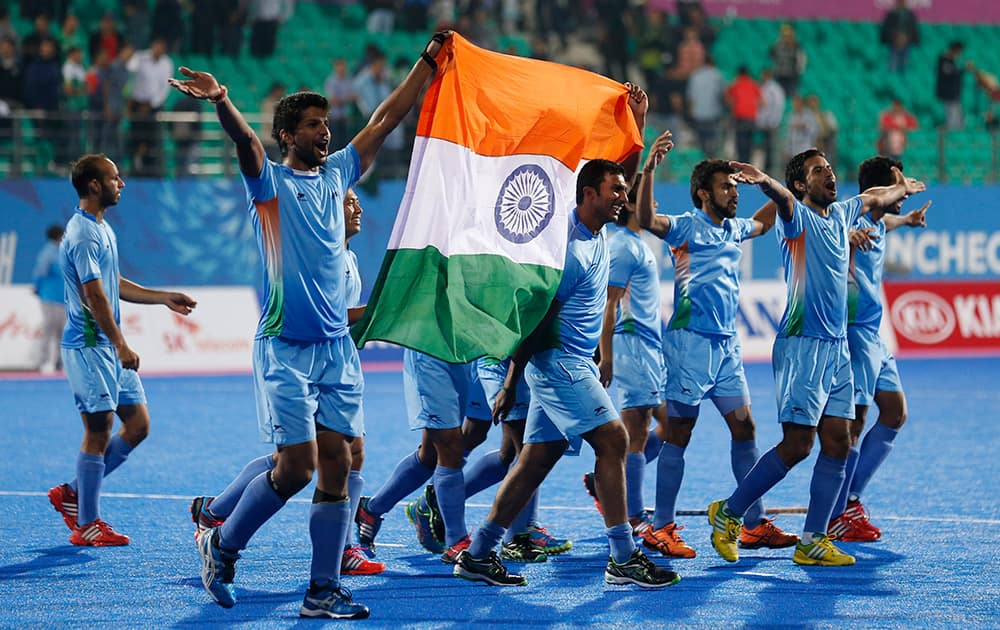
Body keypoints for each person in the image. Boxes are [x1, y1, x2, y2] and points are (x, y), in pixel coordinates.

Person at [168, 30, 451, 618]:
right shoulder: (268, 185)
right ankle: (221, 544)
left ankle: (322, 589)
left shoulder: (339, 174)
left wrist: (427, 63)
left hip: (335, 353)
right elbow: (245, 144)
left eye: (326, 124)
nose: (325, 132)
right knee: (293, 469)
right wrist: (222, 99)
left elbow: (385, 119)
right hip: (284, 347)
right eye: (313, 125)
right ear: (288, 135)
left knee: (342, 461)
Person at [454, 90, 680, 589]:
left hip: (571, 361)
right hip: (558, 363)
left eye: (624, 190)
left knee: (536, 459)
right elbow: (536, 323)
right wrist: (513, 382)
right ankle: (623, 557)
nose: (623, 196)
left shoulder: (599, 226)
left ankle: (479, 551)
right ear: (587, 195)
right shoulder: (567, 249)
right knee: (616, 439)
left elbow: (620, 168)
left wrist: (638, 123)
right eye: (614, 190)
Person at [705, 149, 925, 566]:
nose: (829, 174)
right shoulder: (797, 219)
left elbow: (874, 199)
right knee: (798, 445)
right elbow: (784, 201)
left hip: (838, 347)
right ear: (802, 185)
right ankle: (729, 513)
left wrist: (900, 189)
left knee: (839, 442)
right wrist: (766, 180)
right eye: (817, 171)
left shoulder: (842, 215)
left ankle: (812, 541)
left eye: (829, 168)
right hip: (802, 345)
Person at [189, 187, 386, 577]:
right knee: (296, 461)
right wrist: (384, 309)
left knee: (350, 450)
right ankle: (218, 522)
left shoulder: (348, 256)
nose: (358, 207)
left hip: (327, 358)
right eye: (349, 202)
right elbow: (331, 316)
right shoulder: (319, 255)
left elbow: (343, 319)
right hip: (291, 355)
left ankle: (341, 548)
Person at [635, 133, 797, 559]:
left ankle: (753, 524)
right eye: (727, 186)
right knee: (678, 434)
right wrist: (649, 168)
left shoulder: (735, 228)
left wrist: (777, 186)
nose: (734, 194)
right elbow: (647, 219)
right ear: (704, 193)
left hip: (726, 347)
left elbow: (765, 222)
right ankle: (661, 527)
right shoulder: (686, 227)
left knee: (744, 428)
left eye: (735, 187)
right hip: (689, 345)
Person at [47, 153, 197, 547]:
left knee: (139, 425)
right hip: (91, 346)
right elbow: (95, 296)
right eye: (115, 177)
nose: (122, 183)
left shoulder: (100, 229)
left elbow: (114, 284)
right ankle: (87, 523)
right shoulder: (81, 235)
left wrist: (162, 297)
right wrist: (121, 344)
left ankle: (73, 494)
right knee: (99, 430)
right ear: (95, 185)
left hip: (107, 349)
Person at [827, 156, 929, 543]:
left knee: (895, 413)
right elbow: (832, 238)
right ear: (877, 191)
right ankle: (837, 513)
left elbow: (883, 222)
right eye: (897, 184)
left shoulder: (876, 221)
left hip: (874, 334)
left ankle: (849, 498)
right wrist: (845, 242)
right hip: (853, 333)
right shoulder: (850, 222)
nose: (902, 190)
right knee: (852, 425)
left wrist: (907, 220)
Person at [586, 169, 669, 539]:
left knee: (672, 424)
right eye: (648, 198)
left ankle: (609, 481)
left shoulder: (636, 242)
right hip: (632, 344)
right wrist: (607, 357)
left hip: (649, 346)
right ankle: (633, 513)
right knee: (637, 431)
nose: (655, 204)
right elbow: (609, 305)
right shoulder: (621, 245)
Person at [32, 224, 65, 373]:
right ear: (59, 236)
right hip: (50, 297)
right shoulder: (48, 253)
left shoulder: (62, 252)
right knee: (49, 329)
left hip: (62, 298)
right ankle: (42, 361)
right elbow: (40, 273)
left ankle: (60, 362)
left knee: (62, 332)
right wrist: (38, 288)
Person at [726, 66, 762, 163]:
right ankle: (748, 164)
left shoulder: (736, 83)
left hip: (740, 117)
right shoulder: (753, 84)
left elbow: (728, 99)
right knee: (749, 144)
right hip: (751, 118)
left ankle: (741, 165)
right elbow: (761, 101)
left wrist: (733, 108)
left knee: (740, 144)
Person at [756, 69, 785, 173]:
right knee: (768, 148)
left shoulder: (769, 88)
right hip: (771, 122)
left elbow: (766, 105)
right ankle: (768, 169)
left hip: (769, 123)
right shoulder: (776, 88)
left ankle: (769, 170)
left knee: (770, 148)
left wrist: (769, 121)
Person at [880, 0, 920, 73]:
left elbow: (913, 29)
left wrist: (909, 40)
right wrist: (894, 38)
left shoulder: (910, 15)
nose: (902, 3)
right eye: (900, 2)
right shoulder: (891, 14)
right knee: (892, 65)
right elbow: (886, 29)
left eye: (903, 2)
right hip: (894, 44)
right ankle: (891, 82)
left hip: (907, 44)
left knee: (905, 66)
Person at [936, 41, 967, 130]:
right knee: (952, 117)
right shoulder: (943, 59)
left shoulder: (953, 61)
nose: (959, 54)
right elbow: (948, 72)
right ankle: (951, 136)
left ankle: (957, 134)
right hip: (948, 93)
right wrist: (961, 69)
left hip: (955, 94)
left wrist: (962, 69)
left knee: (958, 118)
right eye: (958, 51)